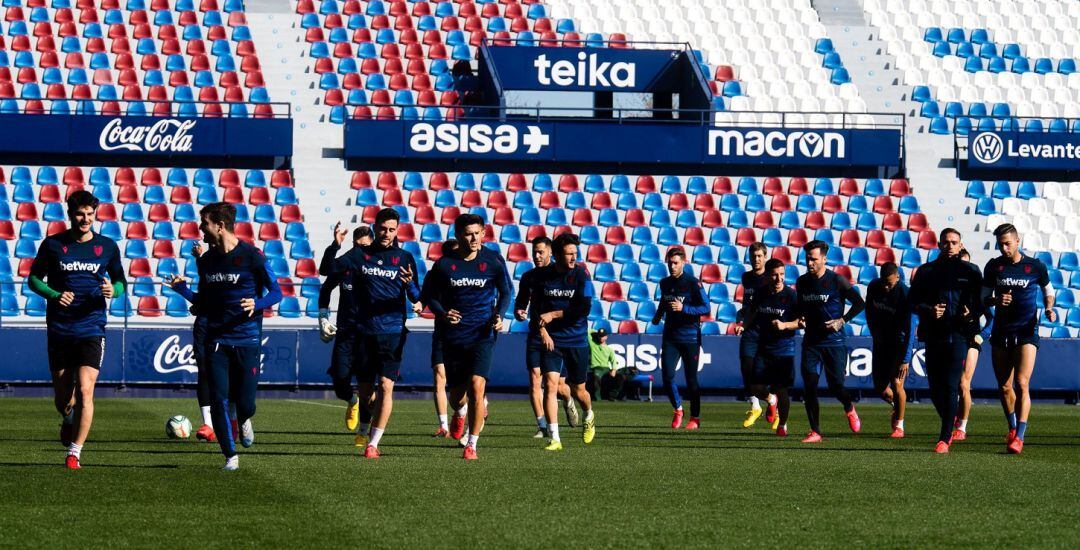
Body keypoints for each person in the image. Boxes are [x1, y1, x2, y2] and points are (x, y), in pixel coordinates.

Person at [172, 202, 282, 470]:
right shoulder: (206, 261)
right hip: (217, 339)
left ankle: (243, 418)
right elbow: (204, 301)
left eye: (204, 223)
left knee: (246, 404)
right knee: (219, 397)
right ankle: (230, 457)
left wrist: (257, 304)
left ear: (219, 226)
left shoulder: (253, 256)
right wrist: (183, 291)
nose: (200, 228)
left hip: (247, 339)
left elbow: (277, 293)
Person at [28, 190, 126, 469]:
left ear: (96, 215)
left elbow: (120, 281)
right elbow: (33, 279)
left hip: (92, 327)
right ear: (71, 214)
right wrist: (54, 294)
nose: (86, 219)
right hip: (60, 328)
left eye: (90, 214)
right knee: (64, 398)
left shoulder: (107, 246)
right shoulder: (53, 245)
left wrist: (113, 289)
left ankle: (74, 452)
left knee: (85, 391)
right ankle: (68, 418)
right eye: (80, 214)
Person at [321, 209, 421, 459]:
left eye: (392, 229)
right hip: (364, 334)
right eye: (383, 228)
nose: (387, 234)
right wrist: (335, 245)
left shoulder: (405, 257)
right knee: (366, 394)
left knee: (386, 386)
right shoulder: (359, 254)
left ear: (397, 230)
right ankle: (367, 419)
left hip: (393, 332)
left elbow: (417, 296)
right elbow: (327, 270)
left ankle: (373, 443)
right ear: (375, 227)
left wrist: (411, 287)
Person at [420, 214, 511, 459]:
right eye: (468, 234)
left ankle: (472, 443)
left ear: (484, 233)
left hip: (483, 333)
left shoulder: (493, 261)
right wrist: (442, 312)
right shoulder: (444, 265)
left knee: (477, 386)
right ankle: (459, 413)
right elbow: (429, 295)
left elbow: (506, 292)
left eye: (477, 233)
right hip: (454, 337)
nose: (473, 238)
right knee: (457, 397)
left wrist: (500, 315)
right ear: (458, 236)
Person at [982, 223, 1054, 454]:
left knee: (1022, 383)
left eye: (1007, 243)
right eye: (1000, 244)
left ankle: (1020, 437)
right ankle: (1012, 428)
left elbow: (1048, 291)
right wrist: (994, 301)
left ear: (1017, 241)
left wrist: (1049, 308)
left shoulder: (1035, 266)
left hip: (1026, 331)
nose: (1003, 248)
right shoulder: (994, 267)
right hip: (1001, 332)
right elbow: (983, 297)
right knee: (1004, 387)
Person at [910, 228, 983, 454]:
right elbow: (912, 302)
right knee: (934, 389)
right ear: (939, 245)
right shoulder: (927, 271)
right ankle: (948, 421)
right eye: (946, 242)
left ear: (960, 245)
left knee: (952, 386)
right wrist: (929, 310)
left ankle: (944, 438)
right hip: (933, 336)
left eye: (954, 242)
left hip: (959, 335)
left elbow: (980, 304)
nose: (950, 246)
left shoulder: (971, 271)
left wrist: (970, 314)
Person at [529, 232, 596, 450]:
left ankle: (588, 414)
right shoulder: (543, 277)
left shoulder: (582, 276)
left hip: (577, 340)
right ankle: (555, 438)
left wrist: (554, 315)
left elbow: (583, 309)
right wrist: (544, 332)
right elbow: (538, 308)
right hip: (553, 340)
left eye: (575, 253)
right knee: (550, 386)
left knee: (579, 391)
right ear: (557, 255)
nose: (573, 258)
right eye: (568, 254)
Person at [795, 240, 865, 443]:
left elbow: (860, 303)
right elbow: (800, 307)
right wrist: (799, 318)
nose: (810, 263)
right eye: (808, 259)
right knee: (809, 386)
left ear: (824, 259)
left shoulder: (837, 281)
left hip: (834, 342)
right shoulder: (802, 282)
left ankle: (849, 407)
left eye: (814, 259)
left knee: (836, 386)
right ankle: (815, 431)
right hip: (811, 342)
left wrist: (842, 320)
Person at [514, 235, 579, 438]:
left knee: (559, 386)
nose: (537, 255)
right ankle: (542, 426)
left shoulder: (562, 275)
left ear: (551, 253)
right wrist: (519, 311)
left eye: (541, 251)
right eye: (534, 252)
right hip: (536, 333)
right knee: (535, 380)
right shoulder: (529, 277)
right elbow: (521, 303)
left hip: (559, 335)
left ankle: (568, 401)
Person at [316, 224, 373, 436]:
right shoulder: (348, 263)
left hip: (370, 334)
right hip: (346, 333)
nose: (361, 251)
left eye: (366, 247)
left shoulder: (379, 265)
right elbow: (325, 283)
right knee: (340, 381)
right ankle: (352, 400)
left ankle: (365, 431)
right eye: (358, 246)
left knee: (368, 384)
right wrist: (323, 317)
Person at [652, 247, 711, 430]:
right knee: (667, 376)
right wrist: (658, 315)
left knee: (691, 379)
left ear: (683, 263)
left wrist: (684, 309)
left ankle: (695, 418)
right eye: (670, 263)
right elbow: (664, 301)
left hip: (690, 338)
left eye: (676, 263)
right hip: (670, 337)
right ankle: (678, 409)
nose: (672, 266)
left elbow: (706, 308)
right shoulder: (664, 283)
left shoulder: (693, 283)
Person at [743, 259, 800, 436]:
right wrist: (743, 325)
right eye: (775, 275)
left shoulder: (791, 296)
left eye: (782, 274)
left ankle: (782, 424)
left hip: (784, 349)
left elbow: (802, 322)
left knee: (782, 389)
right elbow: (752, 313)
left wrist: (785, 325)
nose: (779, 278)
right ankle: (770, 399)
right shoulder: (760, 294)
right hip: (764, 347)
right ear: (767, 276)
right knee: (754, 387)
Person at [864, 262, 915, 438]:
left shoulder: (905, 294)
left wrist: (906, 359)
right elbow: (869, 311)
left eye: (890, 284)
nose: (886, 287)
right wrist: (874, 333)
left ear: (898, 278)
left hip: (899, 344)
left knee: (896, 382)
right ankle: (898, 406)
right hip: (880, 343)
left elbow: (910, 329)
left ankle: (899, 426)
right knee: (880, 388)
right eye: (884, 282)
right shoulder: (874, 287)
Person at [733, 242, 777, 428]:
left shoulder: (771, 278)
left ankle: (779, 410)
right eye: (753, 256)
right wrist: (741, 318)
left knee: (770, 374)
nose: (756, 259)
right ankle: (756, 405)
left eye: (759, 256)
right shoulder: (747, 277)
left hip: (768, 331)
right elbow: (747, 303)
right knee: (746, 369)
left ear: (765, 257)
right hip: (750, 330)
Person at [953, 249, 993, 441]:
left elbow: (992, 318)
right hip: (952, 338)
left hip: (971, 339)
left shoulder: (978, 294)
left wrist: (982, 335)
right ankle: (954, 416)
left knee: (963, 384)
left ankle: (962, 427)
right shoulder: (949, 291)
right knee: (951, 385)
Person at [429, 239, 457, 438]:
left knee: (465, 382)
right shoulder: (435, 274)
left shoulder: (470, 274)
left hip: (465, 333)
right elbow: (429, 298)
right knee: (439, 375)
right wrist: (443, 312)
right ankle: (443, 425)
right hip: (442, 331)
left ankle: (465, 410)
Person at [588, 328, 621, 400]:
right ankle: (598, 398)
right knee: (596, 376)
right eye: (599, 336)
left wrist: (614, 370)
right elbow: (588, 331)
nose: (600, 338)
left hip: (606, 369)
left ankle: (612, 396)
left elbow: (613, 360)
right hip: (596, 368)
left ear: (606, 337)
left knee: (620, 377)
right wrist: (596, 331)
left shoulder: (609, 349)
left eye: (602, 336)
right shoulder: (593, 344)